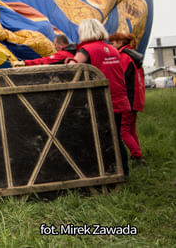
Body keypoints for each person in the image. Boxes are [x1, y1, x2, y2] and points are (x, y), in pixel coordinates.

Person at [70, 18, 131, 176]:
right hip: (118, 100)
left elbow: (72, 68)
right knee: (116, 138)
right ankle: (123, 172)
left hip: (99, 102)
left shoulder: (86, 50)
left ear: (85, 32)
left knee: (95, 138)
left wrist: (68, 60)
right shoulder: (112, 50)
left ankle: (100, 174)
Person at [109, 32, 148, 166]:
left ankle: (137, 156)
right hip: (137, 98)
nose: (111, 46)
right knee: (131, 129)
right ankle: (137, 154)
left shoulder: (124, 57)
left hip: (128, 99)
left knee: (123, 130)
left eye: (113, 43)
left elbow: (121, 78)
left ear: (120, 43)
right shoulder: (133, 55)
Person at [12, 34, 77, 66]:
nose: (54, 47)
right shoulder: (74, 53)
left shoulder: (63, 54)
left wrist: (25, 62)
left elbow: (45, 61)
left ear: (61, 44)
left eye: (55, 44)